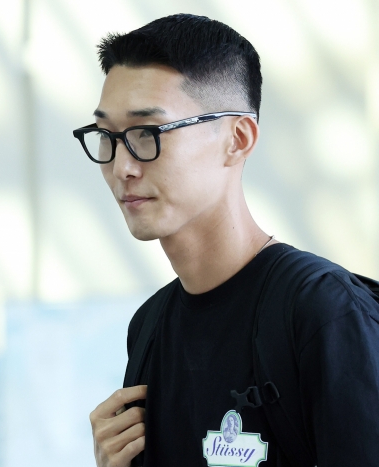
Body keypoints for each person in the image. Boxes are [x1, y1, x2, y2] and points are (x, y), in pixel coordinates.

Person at [79, 13, 379, 467]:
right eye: (109, 137)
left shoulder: (324, 312)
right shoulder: (149, 328)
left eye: (146, 133)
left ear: (237, 139)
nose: (122, 167)